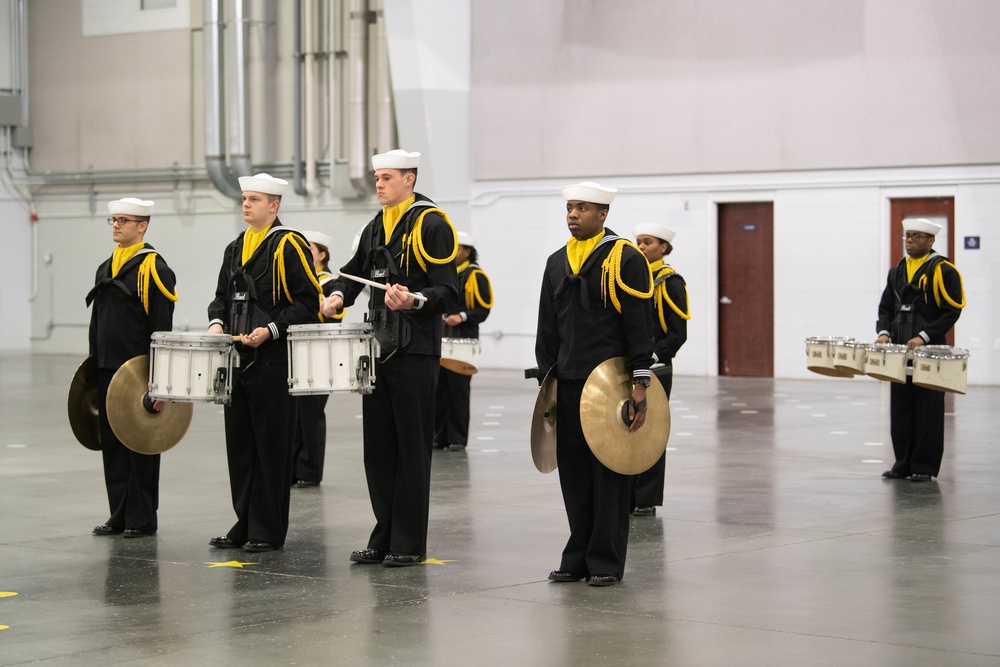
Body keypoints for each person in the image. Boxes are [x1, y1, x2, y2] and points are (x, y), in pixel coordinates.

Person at [321, 149, 459, 567]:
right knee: (378, 449)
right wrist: (339, 295)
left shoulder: (432, 224)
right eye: (377, 177)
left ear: (409, 180)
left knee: (411, 448)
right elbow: (352, 270)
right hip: (377, 348)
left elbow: (449, 291)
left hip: (415, 350)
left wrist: (415, 300)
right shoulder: (376, 226)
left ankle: (409, 541)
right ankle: (384, 534)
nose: (378, 184)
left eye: (386, 177)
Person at [535, 182, 655, 587]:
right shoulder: (556, 262)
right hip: (568, 381)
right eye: (569, 207)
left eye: (582, 208)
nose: (572, 214)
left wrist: (640, 383)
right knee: (573, 473)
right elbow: (546, 328)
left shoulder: (625, 257)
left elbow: (639, 322)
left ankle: (605, 561)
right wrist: (547, 380)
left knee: (608, 474)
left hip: (611, 384)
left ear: (603, 214)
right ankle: (578, 557)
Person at [206, 173, 322, 552]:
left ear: (274, 206)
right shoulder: (233, 247)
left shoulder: (289, 246)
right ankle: (245, 520)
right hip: (237, 358)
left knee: (271, 447)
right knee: (240, 446)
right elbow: (221, 296)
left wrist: (271, 330)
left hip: (272, 360)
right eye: (244, 198)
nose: (245, 205)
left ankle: (267, 529)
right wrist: (216, 321)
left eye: (254, 199)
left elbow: (308, 304)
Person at [87, 197, 178, 538]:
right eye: (113, 220)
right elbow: (97, 323)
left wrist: (159, 381)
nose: (116, 225)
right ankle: (119, 514)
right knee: (112, 444)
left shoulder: (154, 268)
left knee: (140, 445)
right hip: (107, 370)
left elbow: (161, 328)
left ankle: (142, 517)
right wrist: (93, 367)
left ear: (142, 226)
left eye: (124, 221)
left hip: (138, 373)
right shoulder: (105, 268)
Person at [876, 218, 965, 482]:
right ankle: (902, 463)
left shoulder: (944, 270)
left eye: (916, 236)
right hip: (900, 350)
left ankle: (924, 466)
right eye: (907, 236)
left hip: (931, 351)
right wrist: (883, 332)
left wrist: (924, 336)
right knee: (900, 407)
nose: (910, 241)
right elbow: (885, 307)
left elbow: (952, 311)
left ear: (931, 241)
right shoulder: (897, 271)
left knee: (928, 408)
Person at [630, 223, 689, 517]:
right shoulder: (631, 278)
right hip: (629, 366)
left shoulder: (670, 283)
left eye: (648, 242)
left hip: (656, 366)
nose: (641, 247)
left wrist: (653, 355)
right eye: (638, 242)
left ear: (663, 248)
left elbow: (678, 333)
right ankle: (627, 494)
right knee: (624, 427)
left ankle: (646, 497)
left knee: (650, 430)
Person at [291, 230, 345, 488]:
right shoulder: (300, 280)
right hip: (296, 355)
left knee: (311, 415)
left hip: (319, 356)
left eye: (310, 248)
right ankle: (292, 467)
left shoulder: (328, 283)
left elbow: (337, 312)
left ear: (322, 254)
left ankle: (309, 470)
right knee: (293, 415)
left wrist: (329, 307)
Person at [434, 231, 494, 452]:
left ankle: (457, 438)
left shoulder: (475, 276)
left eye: (457, 248)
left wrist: (462, 316)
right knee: (439, 389)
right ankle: (439, 436)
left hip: (463, 341)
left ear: (467, 252)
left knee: (458, 391)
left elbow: (483, 308)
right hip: (442, 337)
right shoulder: (446, 274)